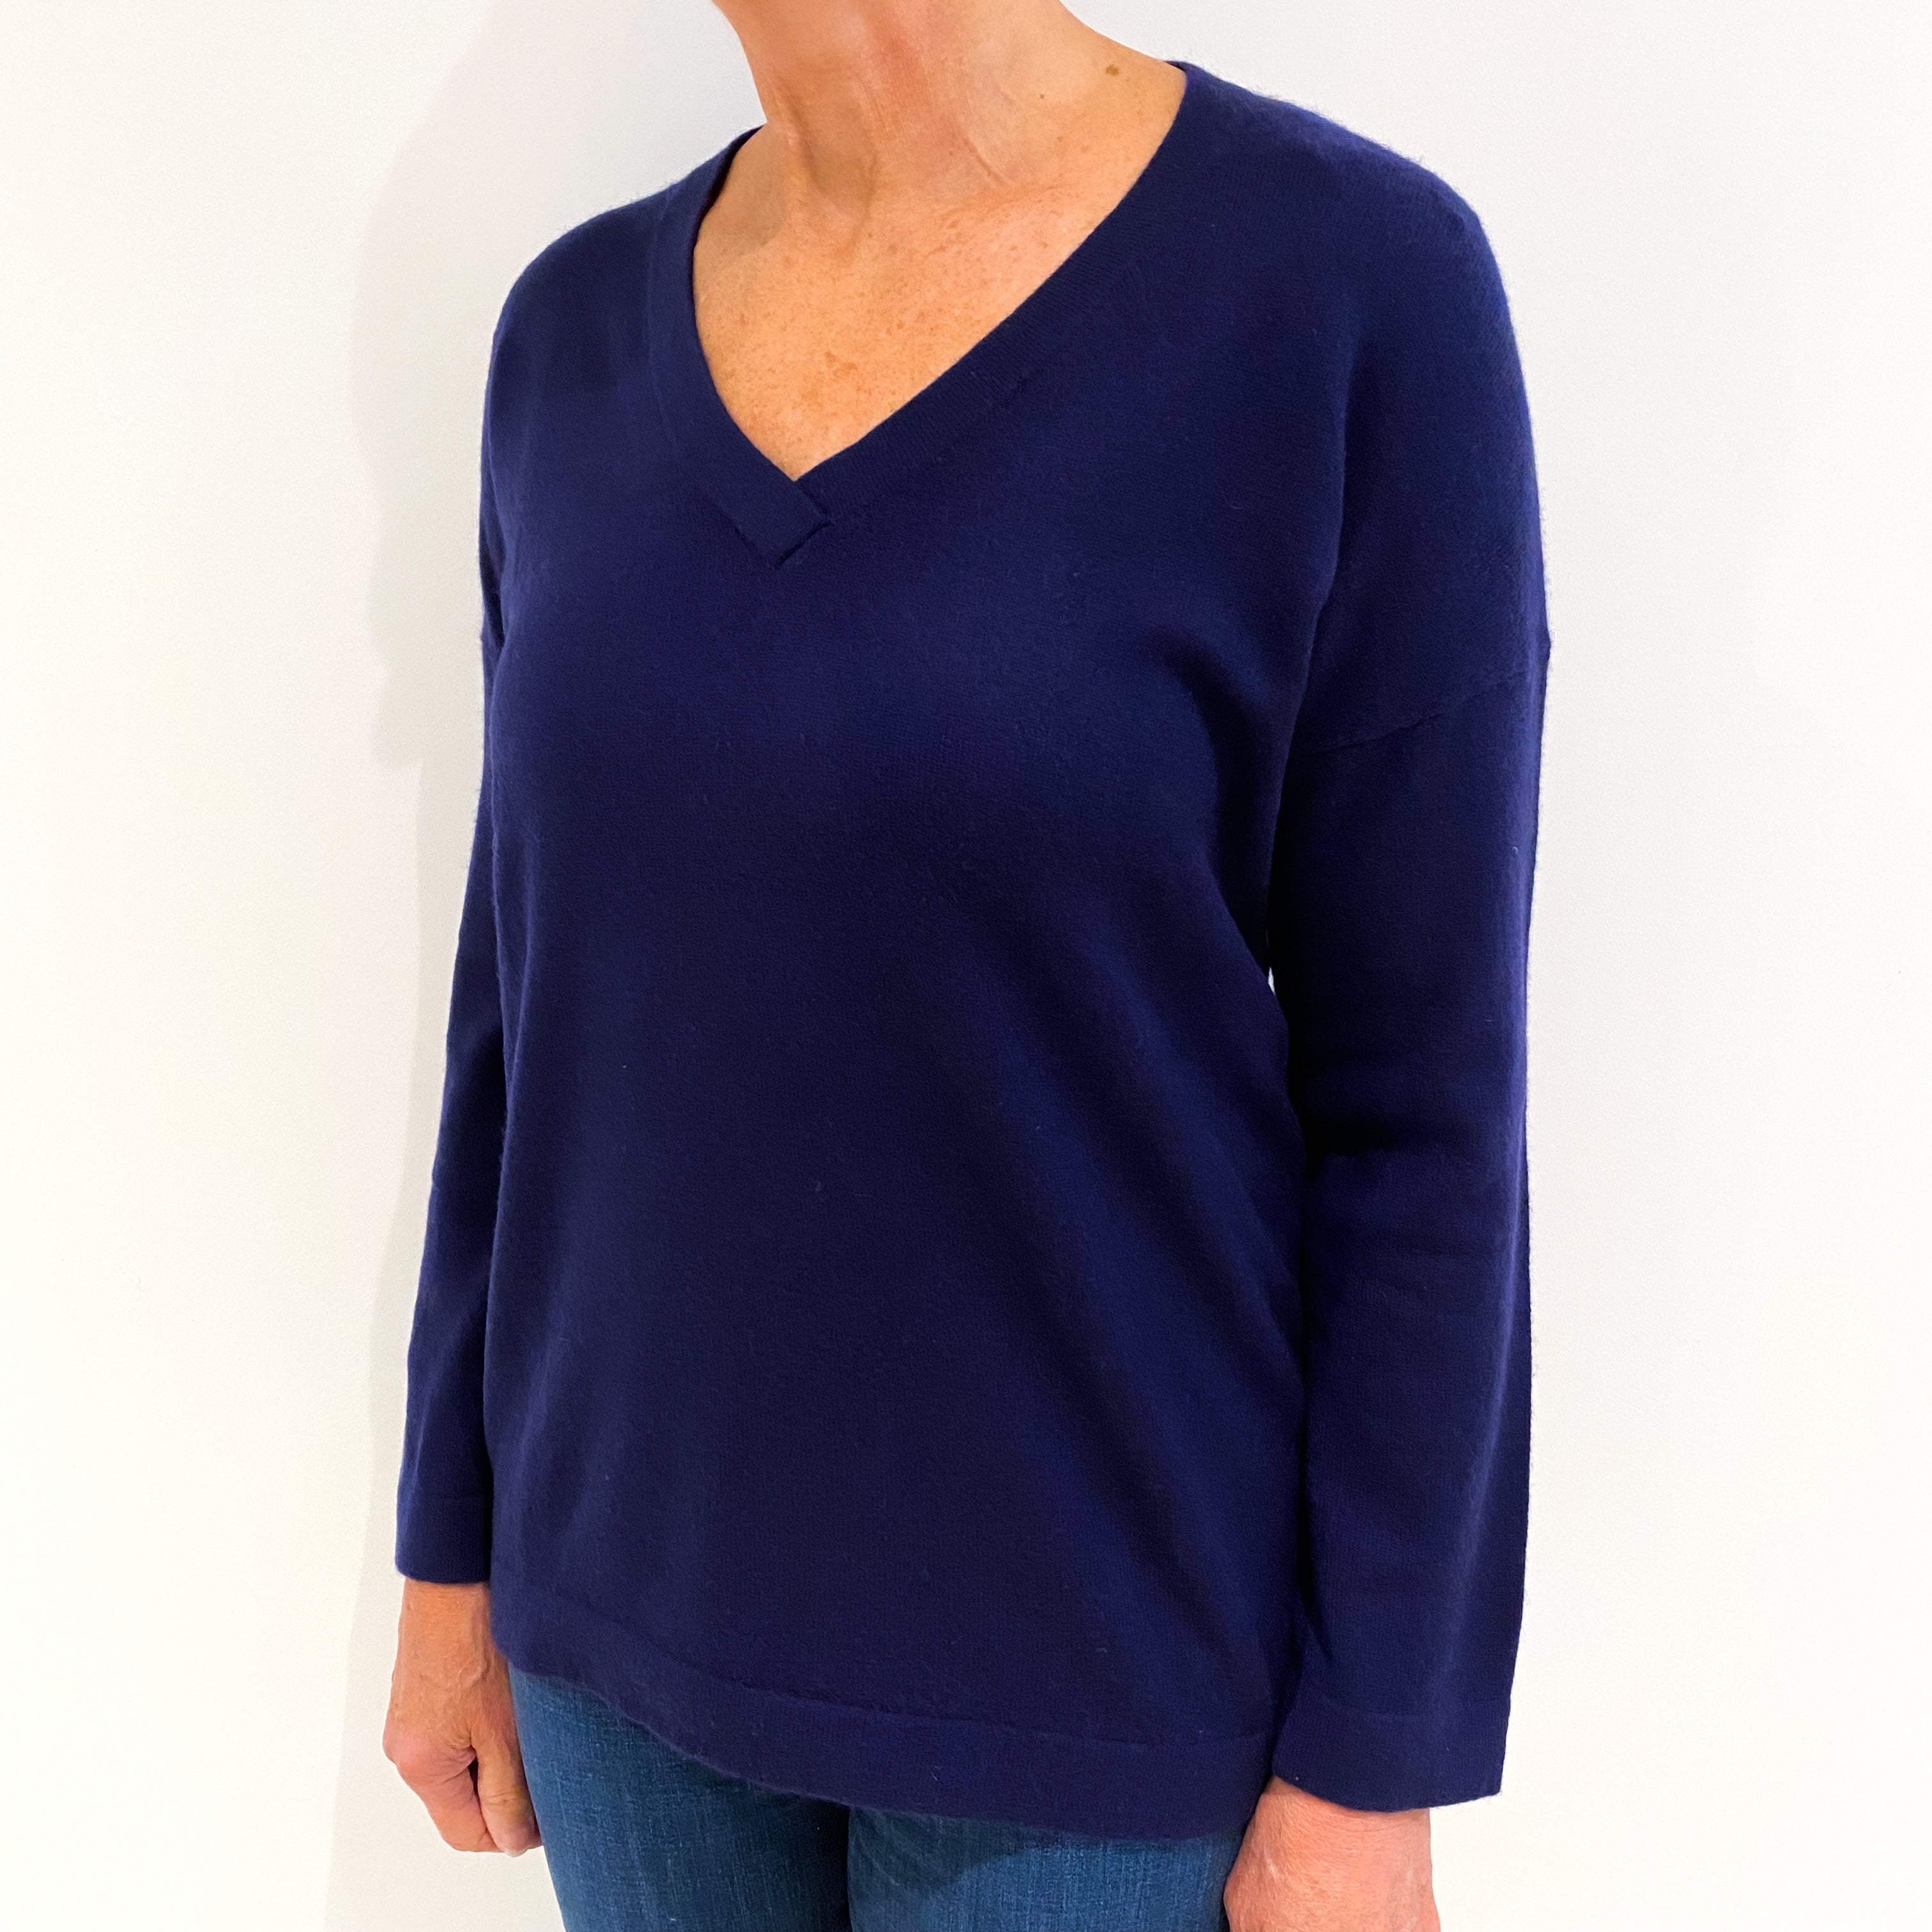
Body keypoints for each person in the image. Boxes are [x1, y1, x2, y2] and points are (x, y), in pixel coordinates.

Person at [381, 1, 1551, 1926]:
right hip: (615, 1644)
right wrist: (454, 1546)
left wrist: (1372, 1761)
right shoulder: (567, 337)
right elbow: (521, 1000)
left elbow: (1424, 1107)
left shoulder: (1346, 292)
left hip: (1096, 1700)